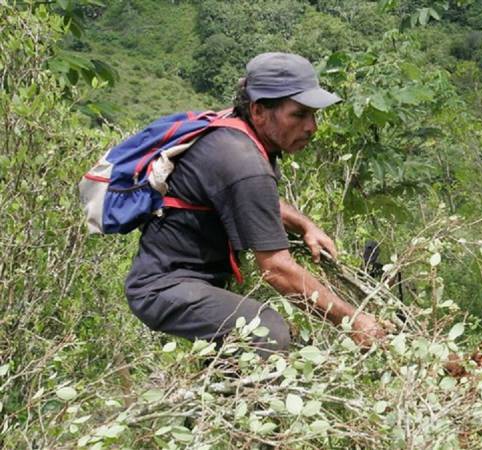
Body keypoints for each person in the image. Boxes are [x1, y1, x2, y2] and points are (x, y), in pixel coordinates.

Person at [124, 52, 386, 356]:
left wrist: (304, 224)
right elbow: (276, 270)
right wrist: (353, 322)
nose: (312, 127)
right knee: (268, 333)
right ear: (259, 111)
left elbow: (258, 199)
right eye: (299, 114)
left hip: (191, 283)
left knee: (256, 336)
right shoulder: (242, 161)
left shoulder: (236, 131)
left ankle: (223, 398)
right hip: (163, 289)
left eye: (314, 114)